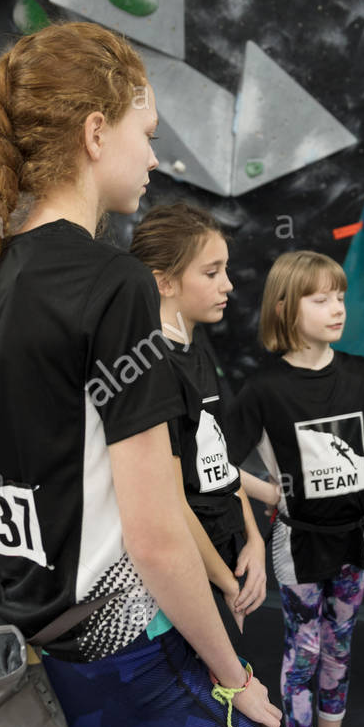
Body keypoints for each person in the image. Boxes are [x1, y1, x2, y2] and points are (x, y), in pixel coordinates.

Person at [0, 22, 305, 727]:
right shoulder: (112, 283)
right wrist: (237, 678)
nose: (155, 158)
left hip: (33, 646)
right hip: (123, 654)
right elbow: (156, 533)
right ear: (96, 133)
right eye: (148, 135)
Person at [223, 251, 364, 727]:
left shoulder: (362, 373)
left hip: (354, 536)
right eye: (321, 298)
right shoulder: (265, 390)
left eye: (340, 296)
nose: (337, 307)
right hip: (300, 541)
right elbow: (215, 462)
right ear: (287, 307)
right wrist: (273, 492)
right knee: (304, 646)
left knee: (340, 643)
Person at [129, 202, 269, 632]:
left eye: (225, 270)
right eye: (211, 273)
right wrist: (225, 582)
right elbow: (169, 503)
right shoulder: (152, 369)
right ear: (164, 282)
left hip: (223, 545)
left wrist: (254, 538)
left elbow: (216, 456)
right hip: (186, 567)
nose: (227, 285)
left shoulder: (197, 346)